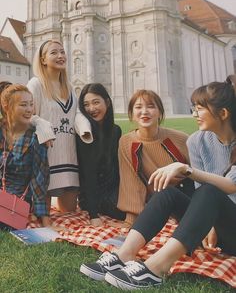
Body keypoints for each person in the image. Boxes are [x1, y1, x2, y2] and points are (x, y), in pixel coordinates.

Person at [80, 76, 236, 289]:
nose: (194, 114)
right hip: (213, 228)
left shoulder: (185, 139)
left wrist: (186, 170)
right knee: (167, 193)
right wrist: (208, 224)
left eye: (200, 109)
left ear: (223, 114)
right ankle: (124, 254)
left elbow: (231, 186)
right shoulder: (197, 141)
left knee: (209, 192)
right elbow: (200, 193)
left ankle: (156, 268)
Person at [27, 40, 92, 213]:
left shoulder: (69, 87)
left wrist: (84, 128)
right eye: (54, 52)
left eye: (62, 52)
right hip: (46, 156)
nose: (60, 56)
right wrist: (42, 124)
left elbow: (75, 113)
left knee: (69, 213)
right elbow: (27, 115)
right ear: (43, 60)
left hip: (68, 157)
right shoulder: (36, 84)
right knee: (42, 215)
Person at [116, 89, 193, 227]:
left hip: (185, 200)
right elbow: (131, 181)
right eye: (138, 107)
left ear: (160, 112)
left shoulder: (180, 138)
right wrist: (131, 220)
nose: (144, 112)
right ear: (132, 114)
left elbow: (197, 175)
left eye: (151, 106)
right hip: (155, 203)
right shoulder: (126, 142)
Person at [0, 84, 50, 228]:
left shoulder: (36, 137)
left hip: (16, 202)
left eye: (31, 104)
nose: (29, 110)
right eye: (23, 105)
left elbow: (39, 180)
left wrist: (46, 221)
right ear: (6, 106)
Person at [77, 83, 125, 226]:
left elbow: (117, 168)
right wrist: (93, 214)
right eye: (86, 105)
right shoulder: (85, 133)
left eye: (96, 102)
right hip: (93, 195)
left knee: (140, 205)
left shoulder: (115, 130)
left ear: (108, 102)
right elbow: (88, 173)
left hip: (112, 188)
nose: (91, 109)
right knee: (123, 211)